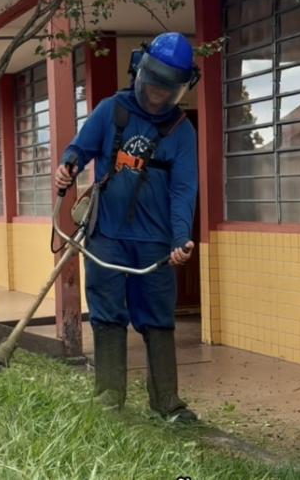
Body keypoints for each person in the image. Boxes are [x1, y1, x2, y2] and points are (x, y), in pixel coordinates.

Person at [55, 32, 200, 423]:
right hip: (107, 238)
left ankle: (167, 404)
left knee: (157, 320)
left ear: (180, 88)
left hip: (154, 244)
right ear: (139, 71)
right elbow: (80, 148)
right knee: (107, 316)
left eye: (166, 90)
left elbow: (184, 191)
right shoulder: (111, 110)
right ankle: (108, 400)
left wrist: (180, 238)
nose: (156, 96)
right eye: (152, 84)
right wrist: (68, 163)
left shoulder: (182, 132)